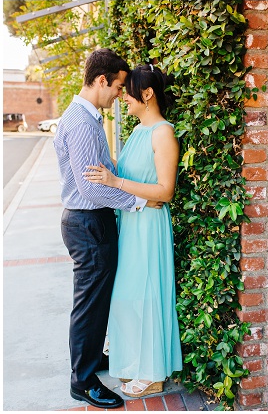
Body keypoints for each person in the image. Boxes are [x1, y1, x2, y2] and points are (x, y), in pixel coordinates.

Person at [54, 48, 153, 409]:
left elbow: (103, 171)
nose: (120, 94)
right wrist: (140, 201)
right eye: (118, 86)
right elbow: (90, 188)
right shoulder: (81, 122)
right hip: (87, 222)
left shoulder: (88, 117)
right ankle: (82, 381)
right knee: (90, 306)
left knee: (96, 302)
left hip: (91, 221)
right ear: (101, 80)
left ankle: (91, 360)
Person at [83, 64, 182, 398]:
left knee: (148, 295)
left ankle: (153, 373)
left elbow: (165, 191)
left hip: (150, 228)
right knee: (127, 297)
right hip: (132, 223)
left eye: (128, 91)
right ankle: (135, 365)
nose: (122, 97)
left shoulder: (162, 133)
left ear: (148, 94)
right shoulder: (138, 131)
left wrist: (116, 182)